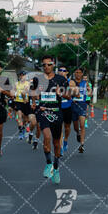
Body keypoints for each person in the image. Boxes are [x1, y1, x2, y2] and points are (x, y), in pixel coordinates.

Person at [30, 54, 69, 184]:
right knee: (46, 136)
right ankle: (48, 163)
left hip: (57, 112)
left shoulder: (61, 79)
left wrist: (61, 93)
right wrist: (34, 102)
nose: (46, 67)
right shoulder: (38, 79)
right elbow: (34, 92)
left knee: (57, 143)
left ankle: (56, 168)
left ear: (54, 65)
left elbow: (69, 96)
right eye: (44, 65)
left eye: (49, 64)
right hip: (43, 112)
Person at [71, 67, 91, 153]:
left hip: (82, 105)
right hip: (73, 106)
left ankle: (82, 144)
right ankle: (78, 133)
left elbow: (90, 92)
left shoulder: (85, 83)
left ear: (82, 74)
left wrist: (89, 92)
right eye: (76, 72)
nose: (78, 74)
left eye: (79, 72)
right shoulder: (71, 82)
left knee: (82, 125)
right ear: (74, 73)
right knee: (76, 126)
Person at [12, 71, 31, 140]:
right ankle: (21, 131)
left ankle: (26, 126)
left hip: (25, 102)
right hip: (18, 102)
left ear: (26, 76)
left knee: (26, 119)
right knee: (19, 116)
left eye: (23, 75)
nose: (22, 76)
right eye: (21, 75)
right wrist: (13, 94)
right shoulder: (16, 84)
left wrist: (24, 96)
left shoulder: (28, 83)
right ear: (19, 76)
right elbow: (13, 92)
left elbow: (26, 91)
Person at [59, 66, 72, 154]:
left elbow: (70, 95)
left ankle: (66, 140)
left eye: (64, 71)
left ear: (67, 73)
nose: (61, 72)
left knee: (67, 127)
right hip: (58, 107)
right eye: (60, 70)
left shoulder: (70, 83)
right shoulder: (56, 81)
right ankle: (60, 148)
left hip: (68, 107)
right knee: (59, 128)